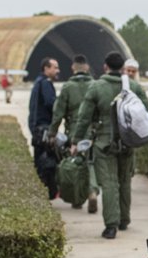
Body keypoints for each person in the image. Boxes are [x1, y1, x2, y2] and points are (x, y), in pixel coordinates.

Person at [70, 51, 148, 239]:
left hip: (104, 143)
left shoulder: (96, 87)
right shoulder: (133, 86)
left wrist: (75, 141)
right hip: (127, 142)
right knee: (125, 181)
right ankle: (124, 219)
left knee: (109, 183)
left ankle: (111, 226)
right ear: (123, 68)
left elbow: (84, 118)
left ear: (105, 67)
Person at [51, 55, 97, 212]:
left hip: (73, 130)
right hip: (92, 131)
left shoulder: (67, 87)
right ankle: (92, 191)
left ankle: (77, 199)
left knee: (75, 163)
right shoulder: (95, 85)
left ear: (73, 68)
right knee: (90, 163)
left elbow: (58, 113)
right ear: (87, 68)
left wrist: (52, 132)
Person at [28, 57, 60, 199]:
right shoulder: (46, 83)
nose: (58, 70)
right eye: (55, 67)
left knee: (39, 160)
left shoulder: (38, 82)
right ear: (46, 69)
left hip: (37, 128)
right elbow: (51, 103)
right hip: (44, 128)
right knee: (47, 162)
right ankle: (49, 192)